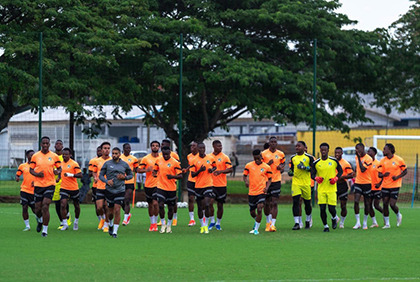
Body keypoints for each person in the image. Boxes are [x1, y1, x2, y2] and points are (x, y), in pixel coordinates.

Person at [30, 136, 62, 237]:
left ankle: (45, 230)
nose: (45, 145)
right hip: (38, 185)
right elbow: (31, 170)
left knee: (45, 205)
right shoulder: (35, 156)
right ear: (40, 144)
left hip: (50, 184)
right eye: (43, 143)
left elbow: (59, 168)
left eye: (46, 143)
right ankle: (39, 220)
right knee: (38, 208)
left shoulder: (54, 156)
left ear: (49, 144)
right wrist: (37, 174)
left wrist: (57, 172)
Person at [99, 147, 133, 238]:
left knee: (117, 209)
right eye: (113, 153)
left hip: (120, 190)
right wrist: (107, 181)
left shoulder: (124, 165)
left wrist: (124, 178)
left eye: (116, 153)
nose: (114, 155)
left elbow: (131, 175)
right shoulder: (107, 164)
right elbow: (100, 175)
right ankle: (110, 224)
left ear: (120, 154)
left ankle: (115, 232)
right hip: (109, 190)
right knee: (110, 212)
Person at [312, 143, 343, 232]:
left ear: (328, 150)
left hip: (332, 189)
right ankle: (325, 226)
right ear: (320, 150)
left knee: (331, 208)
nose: (323, 151)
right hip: (321, 189)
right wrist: (316, 178)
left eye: (325, 150)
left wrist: (336, 178)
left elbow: (340, 171)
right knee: (322, 208)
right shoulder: (316, 163)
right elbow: (312, 174)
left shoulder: (333, 161)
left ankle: (334, 217)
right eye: (322, 150)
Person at [153, 147, 183, 233]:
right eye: (164, 154)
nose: (165, 156)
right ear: (162, 153)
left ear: (170, 153)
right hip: (160, 187)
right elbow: (155, 171)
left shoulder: (175, 162)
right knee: (161, 205)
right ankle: (163, 224)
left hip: (171, 188)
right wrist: (154, 174)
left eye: (167, 154)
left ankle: (169, 225)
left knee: (171, 208)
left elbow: (180, 176)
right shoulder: (158, 160)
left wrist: (173, 177)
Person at [378, 143, 407, 229]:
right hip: (385, 186)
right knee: (385, 204)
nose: (383, 151)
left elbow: (405, 171)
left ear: (390, 150)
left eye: (384, 149)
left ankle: (398, 214)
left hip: (395, 185)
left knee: (392, 204)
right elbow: (379, 175)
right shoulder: (382, 161)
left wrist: (397, 177)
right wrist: (384, 175)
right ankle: (387, 224)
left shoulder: (399, 160)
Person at [243, 149, 272, 235]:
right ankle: (257, 220)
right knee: (252, 212)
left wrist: (267, 187)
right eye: (255, 158)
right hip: (252, 192)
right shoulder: (248, 165)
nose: (257, 160)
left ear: (261, 157)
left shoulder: (266, 167)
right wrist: (246, 181)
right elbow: (244, 175)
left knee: (259, 208)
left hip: (261, 191)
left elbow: (270, 179)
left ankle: (256, 229)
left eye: (258, 158)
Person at [191, 143, 216, 234]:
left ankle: (206, 224)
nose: (202, 150)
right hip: (198, 186)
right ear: (198, 149)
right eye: (200, 148)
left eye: (203, 148)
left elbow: (215, 166)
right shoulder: (194, 160)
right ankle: (202, 225)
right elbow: (192, 174)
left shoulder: (210, 158)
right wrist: (200, 170)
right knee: (200, 206)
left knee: (207, 204)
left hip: (208, 184)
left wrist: (211, 170)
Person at [261, 136, 285, 232]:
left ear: (277, 143)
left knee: (274, 202)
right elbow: (260, 166)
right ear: (269, 143)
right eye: (272, 142)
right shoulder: (263, 154)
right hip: (266, 181)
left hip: (276, 181)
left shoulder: (280, 154)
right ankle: (268, 223)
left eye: (275, 142)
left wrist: (281, 167)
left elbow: (283, 164)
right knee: (266, 203)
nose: (274, 143)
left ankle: (273, 225)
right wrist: (267, 163)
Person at [288, 141, 314, 230]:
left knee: (307, 204)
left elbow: (313, 169)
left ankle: (307, 220)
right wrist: (290, 172)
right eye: (296, 146)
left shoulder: (309, 157)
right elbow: (291, 169)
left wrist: (305, 168)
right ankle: (296, 223)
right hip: (296, 183)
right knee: (295, 202)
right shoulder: (293, 158)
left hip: (306, 183)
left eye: (299, 146)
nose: (297, 148)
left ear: (304, 147)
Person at [209, 140, 233, 230]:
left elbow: (230, 169)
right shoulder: (209, 157)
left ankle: (218, 223)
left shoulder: (225, 157)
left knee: (220, 205)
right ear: (213, 146)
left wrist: (221, 171)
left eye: (221, 146)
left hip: (221, 185)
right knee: (209, 203)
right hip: (211, 185)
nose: (220, 147)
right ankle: (212, 221)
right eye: (218, 146)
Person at [138, 140, 161, 231]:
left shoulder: (162, 158)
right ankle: (152, 223)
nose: (155, 147)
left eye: (156, 146)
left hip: (159, 184)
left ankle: (155, 222)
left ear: (159, 148)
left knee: (156, 203)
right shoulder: (146, 158)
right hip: (148, 184)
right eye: (153, 146)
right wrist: (146, 170)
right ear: (151, 147)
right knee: (150, 204)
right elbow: (138, 170)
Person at [59, 148, 82, 231]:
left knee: (76, 205)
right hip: (64, 187)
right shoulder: (60, 164)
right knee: (63, 204)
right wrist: (58, 177)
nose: (64, 155)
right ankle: (65, 223)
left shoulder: (74, 163)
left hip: (73, 188)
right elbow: (60, 173)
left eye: (66, 154)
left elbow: (80, 175)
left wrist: (71, 175)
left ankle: (76, 221)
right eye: (63, 154)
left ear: (70, 155)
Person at [159, 139, 180, 226]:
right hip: (161, 185)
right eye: (162, 145)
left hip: (172, 183)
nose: (162, 146)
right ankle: (162, 221)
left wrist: (173, 177)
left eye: (164, 144)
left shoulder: (174, 156)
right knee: (160, 204)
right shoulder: (159, 157)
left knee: (172, 203)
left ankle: (174, 218)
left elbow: (178, 168)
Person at [91, 142, 112, 232]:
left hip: (109, 188)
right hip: (99, 187)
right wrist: (95, 176)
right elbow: (94, 171)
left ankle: (106, 224)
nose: (106, 150)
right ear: (102, 150)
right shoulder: (97, 161)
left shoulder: (113, 160)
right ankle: (102, 219)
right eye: (105, 148)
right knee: (99, 207)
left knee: (107, 207)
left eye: (108, 148)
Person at [353, 143, 373, 230]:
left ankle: (365, 222)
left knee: (367, 203)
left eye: (358, 148)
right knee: (356, 201)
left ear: (363, 148)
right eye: (356, 149)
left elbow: (363, 169)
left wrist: (358, 156)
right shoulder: (356, 157)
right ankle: (358, 222)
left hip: (367, 183)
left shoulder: (368, 158)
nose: (357, 150)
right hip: (358, 182)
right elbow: (358, 169)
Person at [334, 147, 355, 228]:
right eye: (336, 152)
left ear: (342, 153)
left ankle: (342, 222)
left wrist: (342, 177)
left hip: (342, 186)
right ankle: (336, 217)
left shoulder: (345, 163)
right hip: (333, 186)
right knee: (331, 205)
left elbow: (351, 175)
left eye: (339, 153)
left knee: (343, 206)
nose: (337, 154)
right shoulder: (332, 162)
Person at [16, 150, 36, 231]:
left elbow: (42, 176)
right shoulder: (22, 166)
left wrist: (36, 182)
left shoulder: (37, 166)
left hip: (34, 191)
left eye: (33, 155)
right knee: (24, 207)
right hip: (24, 189)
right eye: (31, 155)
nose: (32, 156)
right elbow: (18, 174)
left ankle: (39, 219)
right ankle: (27, 226)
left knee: (35, 209)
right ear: (27, 156)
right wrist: (17, 177)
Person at [52, 140, 71, 230]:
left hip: (65, 182)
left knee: (64, 202)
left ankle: (67, 215)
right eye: (57, 144)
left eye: (60, 144)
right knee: (57, 203)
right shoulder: (52, 156)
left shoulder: (65, 157)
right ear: (54, 146)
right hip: (55, 182)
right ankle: (61, 222)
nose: (58, 145)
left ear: (63, 146)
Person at [120, 143, 139, 226]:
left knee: (127, 199)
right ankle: (128, 214)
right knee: (121, 200)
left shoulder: (134, 159)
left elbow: (136, 169)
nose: (128, 149)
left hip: (130, 182)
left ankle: (125, 218)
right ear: (123, 149)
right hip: (120, 182)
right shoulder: (119, 158)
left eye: (129, 148)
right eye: (127, 148)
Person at [367, 147, 383, 228]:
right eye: (367, 151)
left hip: (377, 188)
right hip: (369, 187)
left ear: (374, 153)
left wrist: (379, 183)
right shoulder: (366, 163)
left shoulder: (378, 163)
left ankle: (385, 215)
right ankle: (374, 222)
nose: (368, 153)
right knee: (369, 205)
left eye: (370, 151)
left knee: (376, 205)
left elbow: (382, 175)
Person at [185, 141, 198, 226]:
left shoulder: (201, 156)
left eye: (194, 146)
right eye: (191, 146)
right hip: (191, 180)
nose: (192, 147)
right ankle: (192, 219)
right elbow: (191, 165)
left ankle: (203, 217)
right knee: (191, 198)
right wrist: (186, 169)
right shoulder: (189, 156)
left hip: (200, 181)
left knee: (202, 201)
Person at [88, 146, 102, 225]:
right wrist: (95, 175)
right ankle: (100, 219)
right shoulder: (93, 161)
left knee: (106, 204)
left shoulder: (109, 160)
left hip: (106, 185)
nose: (99, 152)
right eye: (98, 150)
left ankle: (107, 221)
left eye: (100, 150)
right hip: (96, 186)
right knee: (97, 205)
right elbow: (90, 173)